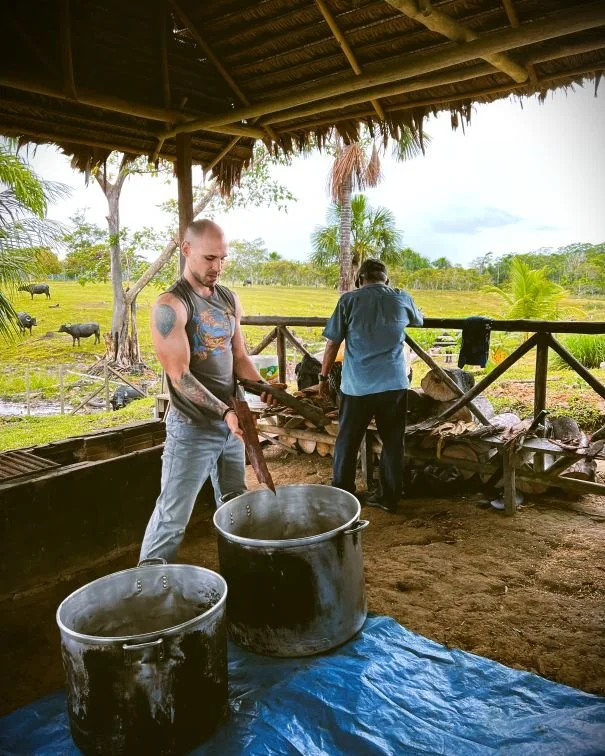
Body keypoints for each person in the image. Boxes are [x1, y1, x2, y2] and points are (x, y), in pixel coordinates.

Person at [140, 219, 270, 562]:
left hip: (231, 424)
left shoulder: (228, 298)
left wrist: (263, 388)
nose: (218, 267)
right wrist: (224, 411)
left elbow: (239, 356)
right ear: (186, 251)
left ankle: (240, 571)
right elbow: (179, 374)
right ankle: (146, 588)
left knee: (235, 501)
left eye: (223, 259)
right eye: (210, 258)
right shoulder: (171, 305)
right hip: (192, 427)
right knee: (172, 516)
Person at [319, 259, 423, 513]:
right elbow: (418, 321)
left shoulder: (349, 301)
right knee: (392, 441)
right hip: (394, 385)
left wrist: (323, 377)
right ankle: (389, 497)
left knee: (347, 441)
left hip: (358, 387)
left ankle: (343, 494)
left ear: (359, 280)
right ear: (386, 279)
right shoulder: (401, 297)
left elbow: (332, 343)